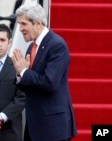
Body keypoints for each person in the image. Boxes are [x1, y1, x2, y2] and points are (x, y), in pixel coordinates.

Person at [11, 3, 77, 141]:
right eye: (19, 24)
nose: (20, 28)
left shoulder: (56, 45)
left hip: (53, 127)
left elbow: (49, 83)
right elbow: (30, 85)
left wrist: (24, 72)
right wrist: (20, 75)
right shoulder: (32, 47)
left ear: (38, 23)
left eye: (23, 24)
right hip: (35, 125)